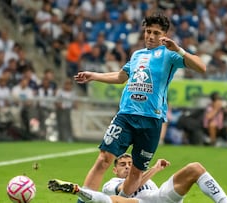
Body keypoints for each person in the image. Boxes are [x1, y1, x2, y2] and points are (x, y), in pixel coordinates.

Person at [73, 12, 206, 198]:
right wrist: (94, 75)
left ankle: (121, 202)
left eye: (156, 33)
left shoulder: (170, 54)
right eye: (148, 31)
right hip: (126, 116)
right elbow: (121, 77)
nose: (151, 36)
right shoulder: (137, 55)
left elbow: (202, 67)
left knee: (136, 172)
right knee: (104, 159)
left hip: (152, 120)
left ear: (164, 35)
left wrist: (179, 50)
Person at [48, 153, 227, 203]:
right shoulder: (111, 184)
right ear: (115, 170)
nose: (128, 167)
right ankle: (77, 190)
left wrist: (154, 170)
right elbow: (127, 191)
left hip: (158, 199)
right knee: (118, 201)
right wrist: (153, 169)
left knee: (195, 167)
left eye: (131, 164)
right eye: (123, 164)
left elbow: (155, 194)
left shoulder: (148, 181)